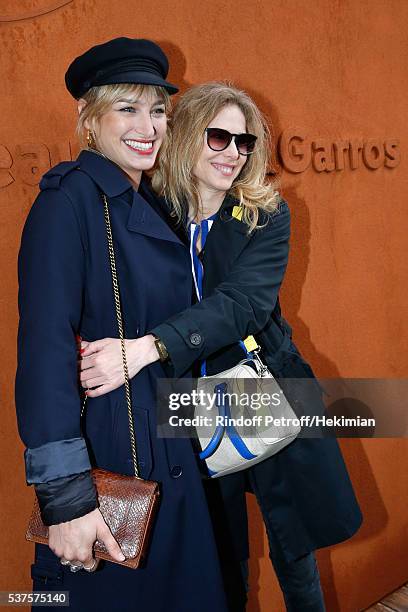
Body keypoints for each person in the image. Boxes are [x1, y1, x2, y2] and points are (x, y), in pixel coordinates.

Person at [80, 82, 363, 611]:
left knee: (292, 544)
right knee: (218, 546)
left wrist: (148, 348)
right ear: (186, 136)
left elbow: (243, 304)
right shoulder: (145, 214)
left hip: (265, 389)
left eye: (245, 141)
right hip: (190, 408)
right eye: (219, 137)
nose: (233, 152)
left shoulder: (266, 214)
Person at [15, 41, 229, 612]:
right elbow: (44, 353)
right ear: (89, 118)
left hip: (169, 445)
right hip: (113, 453)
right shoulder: (68, 203)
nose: (149, 126)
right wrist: (65, 500)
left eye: (157, 109)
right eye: (127, 108)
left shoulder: (151, 198)